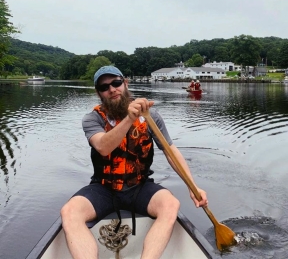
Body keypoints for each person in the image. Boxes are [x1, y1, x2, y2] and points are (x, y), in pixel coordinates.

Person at [60, 65, 208, 259]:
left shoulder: (150, 116)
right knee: (70, 212)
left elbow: (170, 151)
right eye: (105, 87)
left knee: (170, 204)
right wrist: (130, 118)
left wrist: (193, 187)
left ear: (125, 83)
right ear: (99, 93)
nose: (112, 89)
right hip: (104, 188)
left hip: (139, 186)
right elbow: (103, 147)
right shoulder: (92, 119)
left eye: (116, 83)